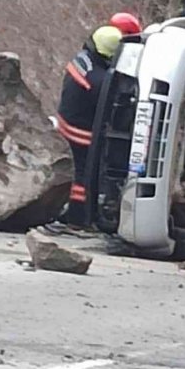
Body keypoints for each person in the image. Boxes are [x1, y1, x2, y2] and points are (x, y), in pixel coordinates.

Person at [56, 24, 123, 227]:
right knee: (84, 176)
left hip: (66, 121)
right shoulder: (99, 81)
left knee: (75, 171)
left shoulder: (83, 59)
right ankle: (78, 218)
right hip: (81, 132)